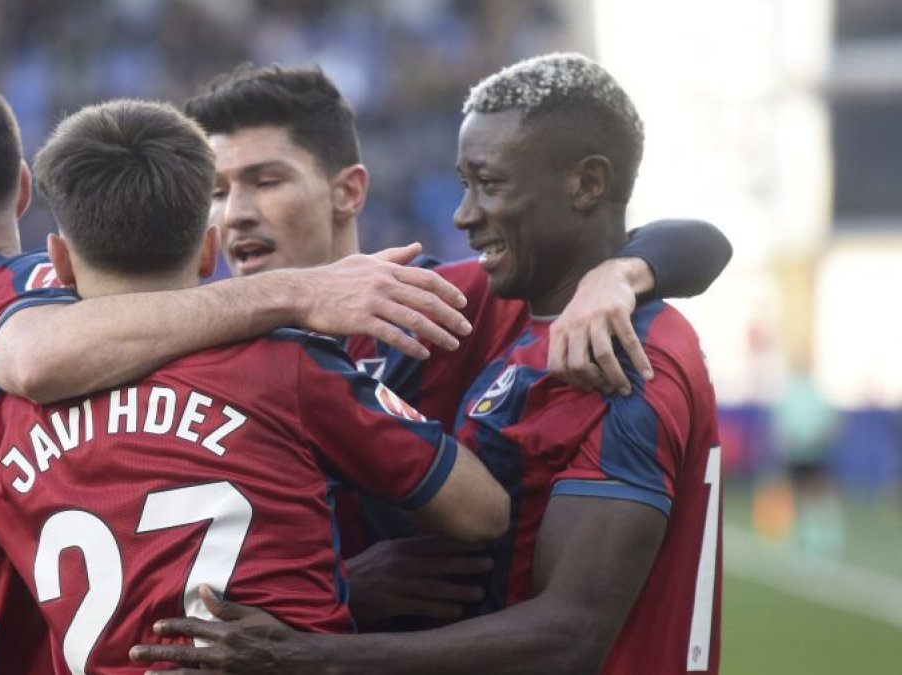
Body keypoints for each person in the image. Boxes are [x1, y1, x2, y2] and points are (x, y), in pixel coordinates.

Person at [0, 74, 483, 674]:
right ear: (209, 252)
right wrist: (292, 296)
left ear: (62, 260)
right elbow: (482, 512)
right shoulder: (288, 366)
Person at [132, 52, 724, 675]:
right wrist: (343, 587)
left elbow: (701, 243)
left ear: (348, 191)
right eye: (217, 192)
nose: (236, 213)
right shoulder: (195, 352)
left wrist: (622, 272)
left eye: (266, 180)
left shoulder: (441, 309)